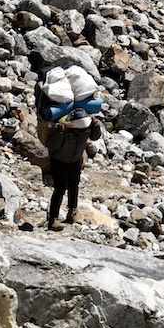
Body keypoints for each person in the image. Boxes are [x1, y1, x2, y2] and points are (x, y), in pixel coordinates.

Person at [33, 66, 103, 230]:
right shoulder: (63, 129)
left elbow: (95, 136)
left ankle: (73, 212)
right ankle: (53, 219)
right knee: (59, 188)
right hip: (59, 161)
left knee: (74, 185)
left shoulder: (86, 127)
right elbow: (52, 146)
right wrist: (59, 132)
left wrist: (95, 123)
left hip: (76, 159)